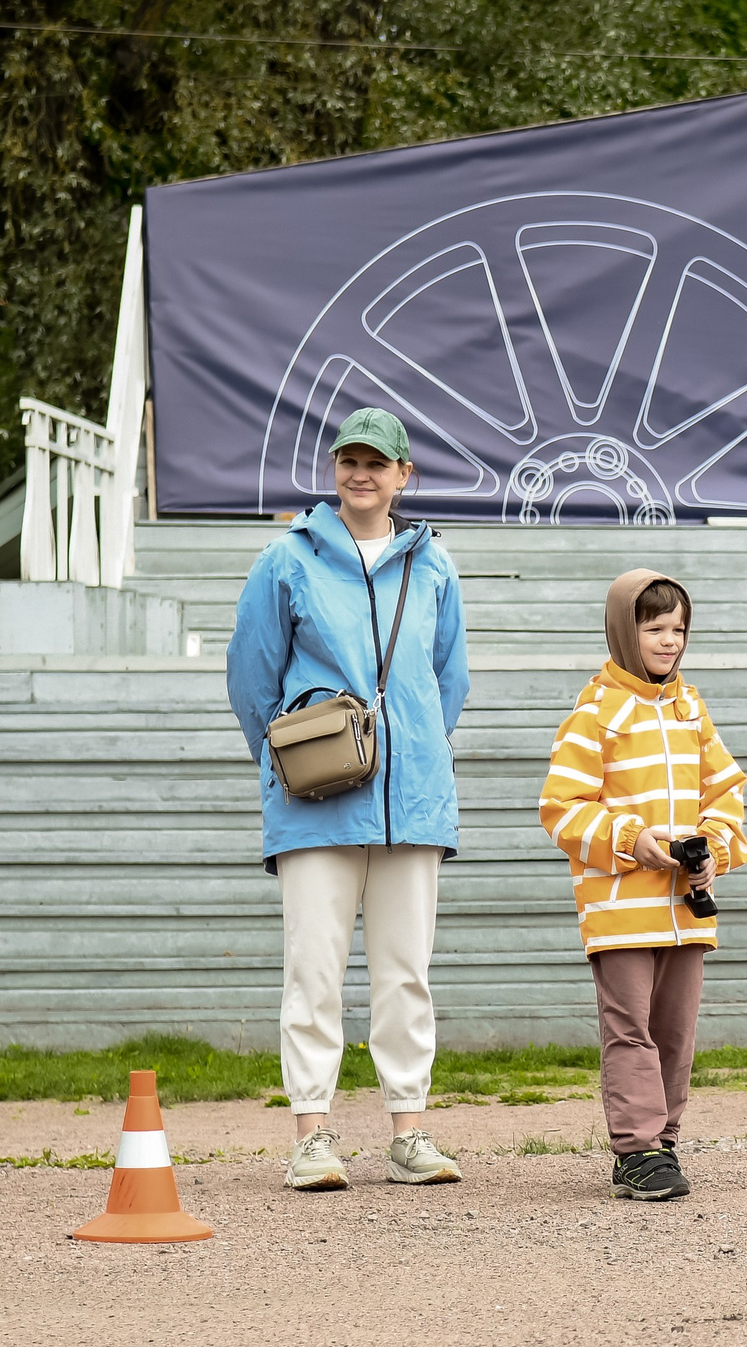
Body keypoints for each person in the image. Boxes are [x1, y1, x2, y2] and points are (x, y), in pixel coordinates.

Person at [226, 407, 471, 1191]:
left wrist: (414, 752)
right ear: (334, 470)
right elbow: (251, 675)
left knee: (406, 972)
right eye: (348, 460)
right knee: (314, 970)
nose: (360, 473)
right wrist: (286, 758)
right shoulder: (285, 560)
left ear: (406, 476)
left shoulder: (434, 565)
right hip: (315, 801)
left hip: (412, 802)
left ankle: (409, 1133)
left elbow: (447, 679)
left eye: (377, 462)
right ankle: (312, 1136)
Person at [538, 570, 747, 1201]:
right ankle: (636, 1151)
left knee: (676, 1031)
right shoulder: (595, 709)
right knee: (629, 1025)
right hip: (620, 907)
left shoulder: (692, 708)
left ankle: (665, 1141)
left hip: (687, 909)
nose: (669, 641)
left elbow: (726, 792)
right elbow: (562, 807)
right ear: (623, 631)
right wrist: (632, 841)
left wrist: (712, 847)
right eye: (654, 628)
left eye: (678, 629)